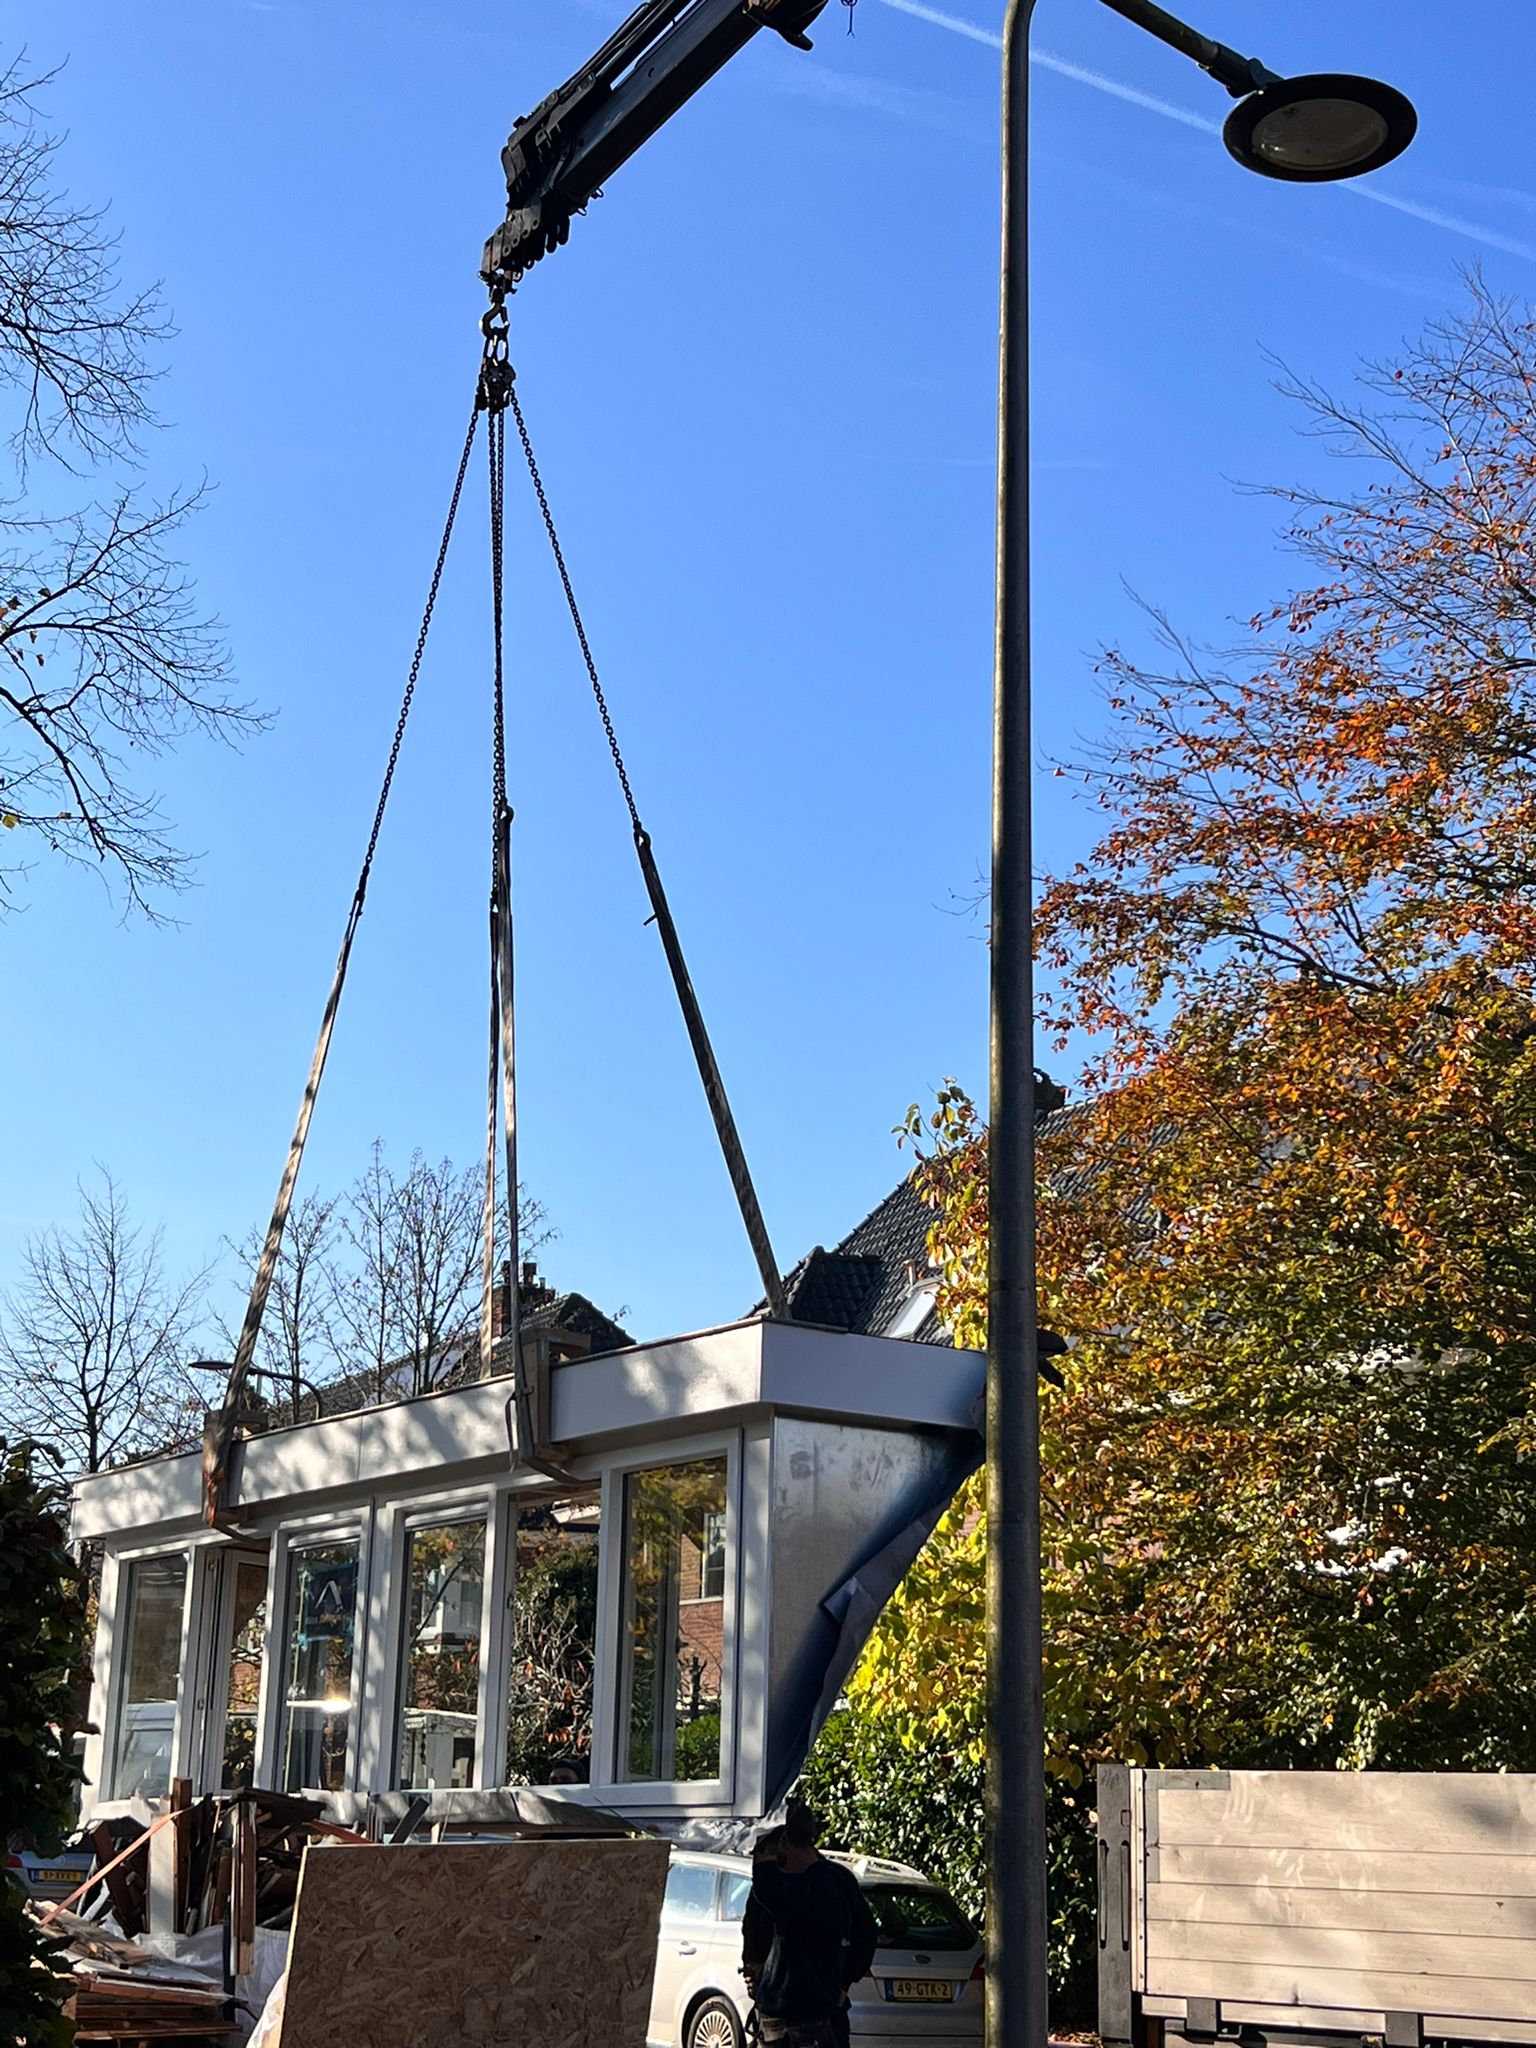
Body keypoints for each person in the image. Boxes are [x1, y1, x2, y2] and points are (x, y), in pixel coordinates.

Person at [742, 1803, 878, 2048]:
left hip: (804, 2022)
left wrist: (843, 1984)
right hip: (796, 2018)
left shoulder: (816, 1885)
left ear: (781, 1842)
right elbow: (754, 1926)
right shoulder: (837, 1879)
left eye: (762, 1849)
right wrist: (753, 1967)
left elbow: (865, 1937)